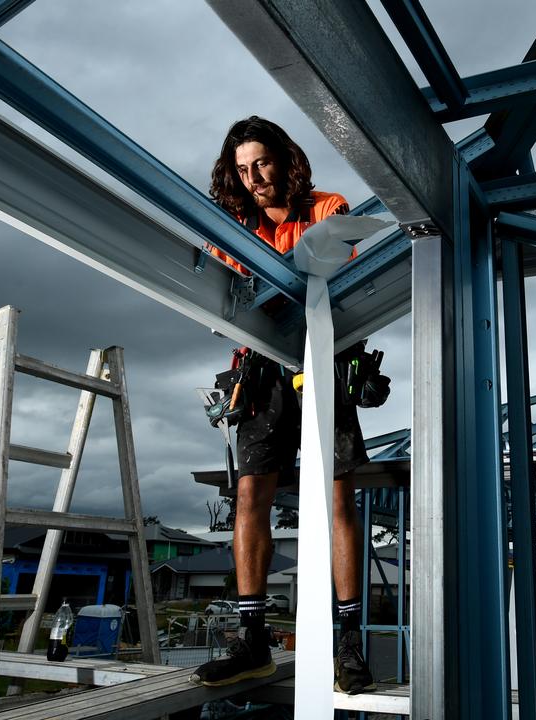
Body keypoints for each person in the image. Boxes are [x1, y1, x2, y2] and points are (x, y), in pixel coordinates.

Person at [190, 116, 375, 695]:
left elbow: (341, 285)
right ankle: (251, 643)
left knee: (337, 500)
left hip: (324, 356)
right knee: (249, 496)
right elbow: (226, 297)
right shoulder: (232, 225)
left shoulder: (328, 209)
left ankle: (348, 648)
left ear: (283, 159)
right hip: (261, 371)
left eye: (262, 164)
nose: (255, 179)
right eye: (243, 170)